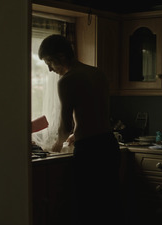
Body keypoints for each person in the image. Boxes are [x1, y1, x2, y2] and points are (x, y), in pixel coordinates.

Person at [38, 34, 122, 225]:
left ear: (60, 56)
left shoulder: (67, 80)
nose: (50, 69)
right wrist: (77, 134)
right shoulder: (97, 73)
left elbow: (65, 124)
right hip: (109, 145)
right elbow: (95, 112)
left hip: (90, 152)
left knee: (87, 208)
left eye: (50, 62)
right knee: (110, 205)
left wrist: (56, 145)